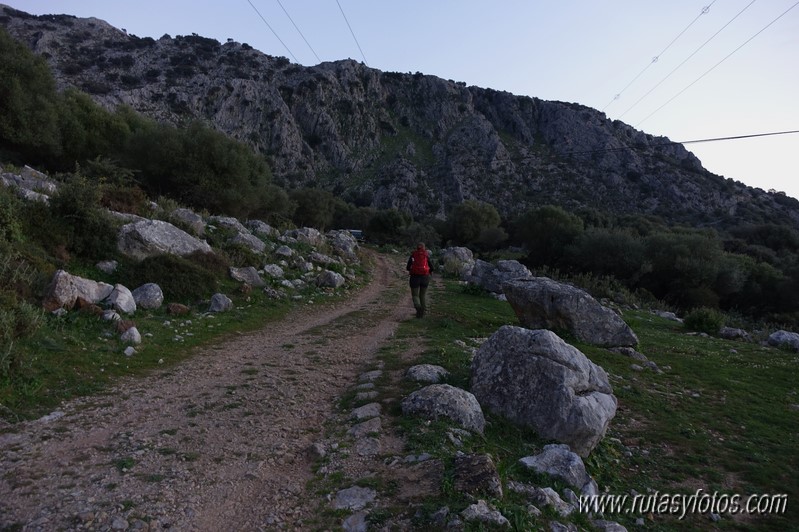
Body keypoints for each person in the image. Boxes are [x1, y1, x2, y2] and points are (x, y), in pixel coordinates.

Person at [407, 242, 432, 318]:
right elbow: (432, 267)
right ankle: (424, 312)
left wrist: (412, 270)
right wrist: (429, 272)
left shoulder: (413, 255)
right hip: (425, 277)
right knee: (423, 295)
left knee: (415, 295)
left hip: (414, 277)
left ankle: (418, 308)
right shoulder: (426, 255)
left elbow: (408, 267)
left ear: (417, 248)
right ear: (424, 248)